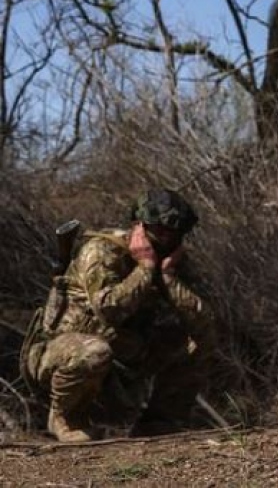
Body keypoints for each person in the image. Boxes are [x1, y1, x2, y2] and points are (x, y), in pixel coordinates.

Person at [21, 188, 216, 442]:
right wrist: (145, 268)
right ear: (140, 225)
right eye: (159, 229)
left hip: (125, 355)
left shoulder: (171, 259)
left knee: (199, 343)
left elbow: (204, 322)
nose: (166, 238)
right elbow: (109, 310)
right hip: (63, 353)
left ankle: (159, 423)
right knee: (94, 351)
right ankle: (66, 418)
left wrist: (167, 278)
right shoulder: (102, 250)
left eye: (174, 233)